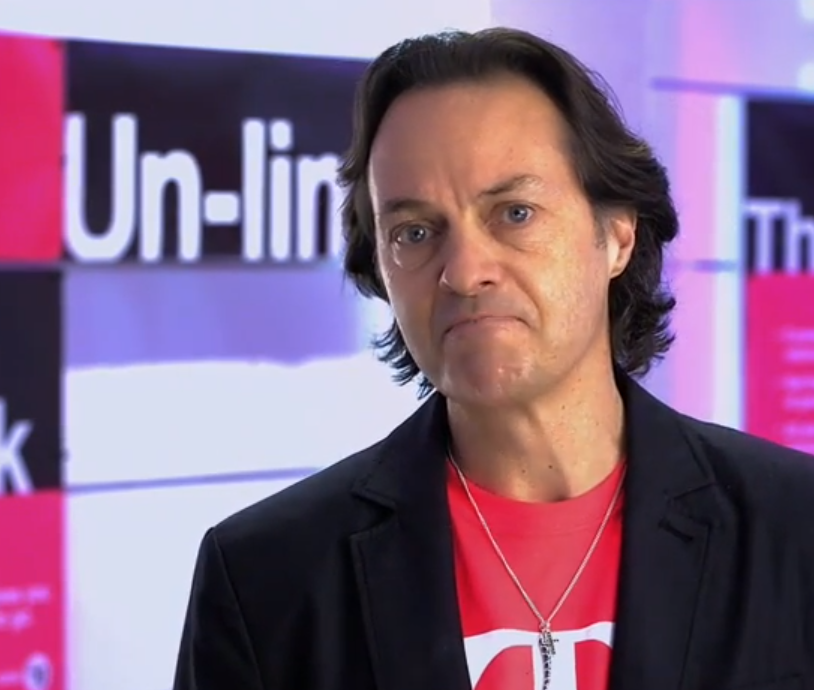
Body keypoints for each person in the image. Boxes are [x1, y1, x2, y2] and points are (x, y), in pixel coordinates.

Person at [173, 27, 814, 690]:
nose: (463, 271)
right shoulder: (267, 578)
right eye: (415, 232)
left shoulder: (794, 530)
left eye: (514, 213)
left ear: (617, 235)